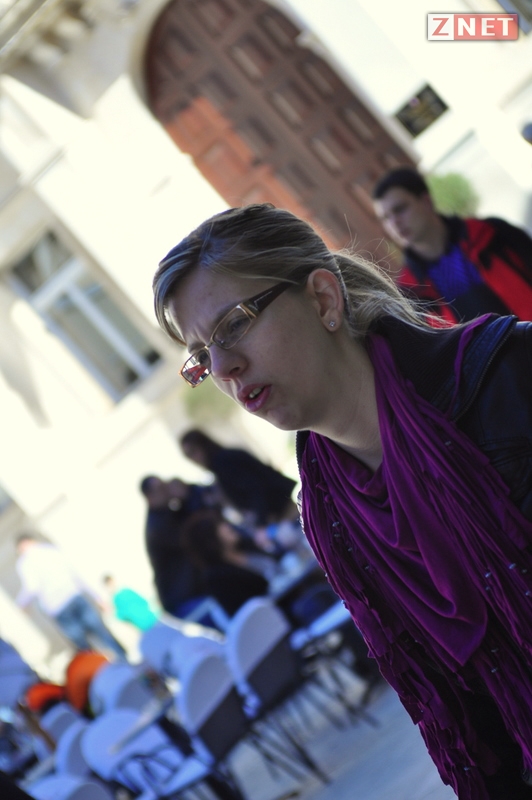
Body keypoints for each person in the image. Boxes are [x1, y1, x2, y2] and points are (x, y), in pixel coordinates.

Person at [151, 202, 532, 799]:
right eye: (202, 356)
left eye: (233, 325)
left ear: (323, 299)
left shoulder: (506, 372)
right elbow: (457, 708)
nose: (224, 368)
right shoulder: (330, 516)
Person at [372, 166, 532, 323]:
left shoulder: (492, 233)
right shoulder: (408, 293)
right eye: (386, 218)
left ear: (426, 201)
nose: (394, 223)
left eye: (400, 209)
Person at [15, 533, 126, 659]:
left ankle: (97, 667)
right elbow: (75, 573)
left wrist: (21, 604)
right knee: (101, 631)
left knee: (84, 647)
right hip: (74, 596)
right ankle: (124, 660)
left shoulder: (24, 563)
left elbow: (32, 587)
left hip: (58, 608)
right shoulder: (51, 551)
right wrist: (97, 598)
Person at [179, 428, 298, 530]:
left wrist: (261, 522)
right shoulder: (220, 465)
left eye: (193, 452)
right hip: (278, 512)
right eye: (188, 456)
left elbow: (255, 488)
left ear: (203, 446)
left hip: (282, 511)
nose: (193, 459)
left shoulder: (224, 463)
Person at [140, 474, 221, 618]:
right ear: (150, 497)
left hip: (192, 592)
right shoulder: (158, 526)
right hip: (186, 597)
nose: (166, 491)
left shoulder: (167, 514)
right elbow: (194, 536)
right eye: (160, 488)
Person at [180, 509, 271, 617]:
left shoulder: (247, 545)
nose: (227, 526)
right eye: (220, 525)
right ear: (210, 538)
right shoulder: (218, 576)